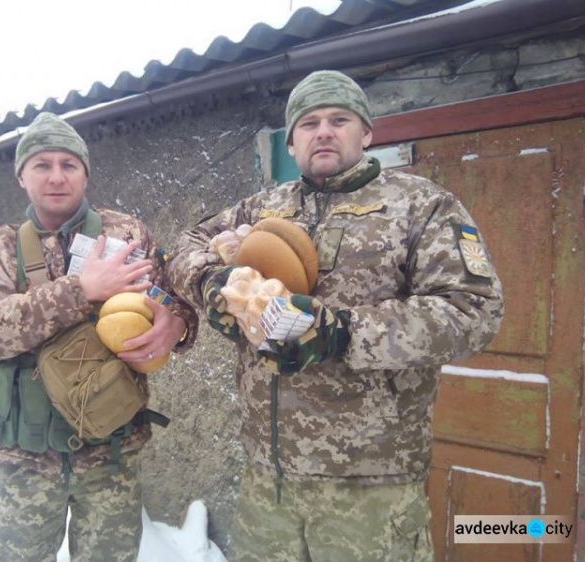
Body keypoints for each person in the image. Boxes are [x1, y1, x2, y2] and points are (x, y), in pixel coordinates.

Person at [166, 70, 503, 561]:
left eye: (338, 119)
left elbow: (473, 311)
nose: (322, 131)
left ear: (365, 133)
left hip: (370, 487)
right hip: (269, 480)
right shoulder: (266, 207)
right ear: (294, 140)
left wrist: (341, 333)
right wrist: (215, 287)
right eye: (308, 123)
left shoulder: (421, 207)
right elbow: (186, 244)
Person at [0, 112, 198, 562]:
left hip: (111, 452)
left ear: (86, 174)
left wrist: (176, 322)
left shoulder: (127, 234)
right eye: (42, 165)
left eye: (69, 164)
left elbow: (172, 295)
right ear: (21, 176)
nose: (56, 177)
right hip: (26, 456)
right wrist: (80, 291)